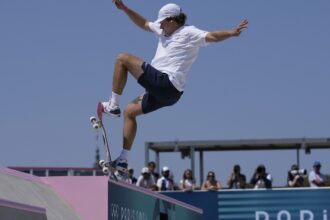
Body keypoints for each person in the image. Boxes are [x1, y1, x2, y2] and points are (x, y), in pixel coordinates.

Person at [101, 0, 248, 172]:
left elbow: (213, 36)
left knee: (122, 58)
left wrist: (231, 33)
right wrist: (125, 9)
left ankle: (112, 105)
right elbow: (144, 23)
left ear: (172, 20)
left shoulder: (189, 32)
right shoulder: (163, 29)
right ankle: (123, 159)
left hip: (166, 82)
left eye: (163, 22)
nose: (160, 25)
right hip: (169, 95)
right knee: (129, 112)